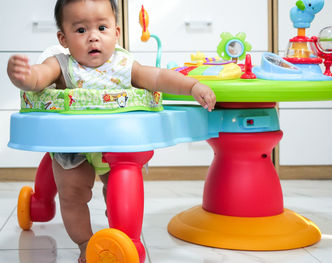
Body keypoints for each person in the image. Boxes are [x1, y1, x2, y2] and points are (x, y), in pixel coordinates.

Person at [7, 0, 216, 262]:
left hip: (115, 145)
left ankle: (122, 237)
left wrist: (192, 86)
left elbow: (159, 77)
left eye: (102, 27)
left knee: (117, 189)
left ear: (116, 33)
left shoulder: (125, 66)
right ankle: (85, 243)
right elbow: (38, 78)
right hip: (72, 147)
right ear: (63, 38)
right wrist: (22, 77)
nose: (93, 36)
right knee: (72, 195)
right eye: (81, 30)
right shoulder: (60, 64)